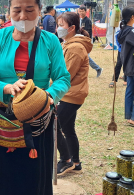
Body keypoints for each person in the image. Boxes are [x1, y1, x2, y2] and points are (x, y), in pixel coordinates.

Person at [0, 0, 71, 195]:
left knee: (34, 177)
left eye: (30, 10)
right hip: (3, 120)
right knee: (3, 175)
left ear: (40, 9)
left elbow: (62, 79)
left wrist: (46, 96)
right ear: (9, 10)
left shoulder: (50, 41)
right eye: (17, 10)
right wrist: (7, 88)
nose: (23, 16)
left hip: (38, 119)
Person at [55, 12, 92, 175]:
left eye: (61, 25)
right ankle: (75, 163)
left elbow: (65, 75)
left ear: (72, 28)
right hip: (70, 93)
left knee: (53, 126)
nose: (58, 28)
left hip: (70, 95)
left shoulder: (75, 47)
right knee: (68, 128)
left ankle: (66, 159)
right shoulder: (68, 44)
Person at [79, 5, 103, 78]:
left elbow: (88, 33)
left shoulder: (88, 21)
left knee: (85, 57)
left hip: (87, 41)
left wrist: (85, 41)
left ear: (86, 12)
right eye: (80, 11)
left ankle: (98, 68)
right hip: (82, 41)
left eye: (83, 11)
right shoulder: (80, 20)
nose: (81, 13)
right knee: (83, 57)